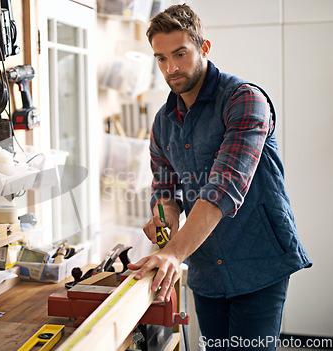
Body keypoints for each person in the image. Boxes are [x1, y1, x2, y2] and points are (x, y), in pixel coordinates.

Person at [127, 4, 312, 350]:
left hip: (257, 266)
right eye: (162, 59)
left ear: (204, 48)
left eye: (180, 54)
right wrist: (163, 224)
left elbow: (224, 188)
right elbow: (165, 191)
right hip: (207, 271)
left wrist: (173, 254)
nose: (172, 68)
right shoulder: (163, 123)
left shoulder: (244, 100)